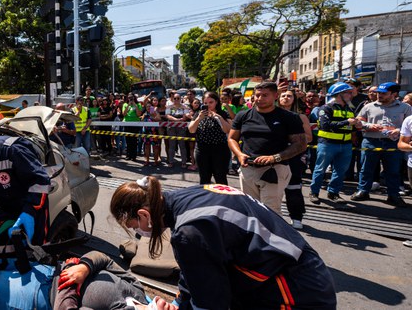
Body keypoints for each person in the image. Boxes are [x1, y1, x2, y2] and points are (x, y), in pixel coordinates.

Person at [109, 177, 337, 310]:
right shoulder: (190, 196)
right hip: (301, 271)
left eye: (132, 225)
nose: (136, 231)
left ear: (144, 215)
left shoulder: (189, 233)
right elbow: (195, 275)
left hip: (294, 292)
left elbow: (211, 302)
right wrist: (180, 303)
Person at [0, 251, 147, 310]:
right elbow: (104, 259)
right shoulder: (140, 294)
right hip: (45, 271)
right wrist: (85, 267)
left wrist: (71, 273)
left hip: (34, 298)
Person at [228, 82, 307, 214]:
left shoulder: (289, 117)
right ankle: (255, 234)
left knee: (270, 211)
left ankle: (271, 234)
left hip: (275, 169)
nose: (260, 98)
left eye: (265, 95)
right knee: (251, 208)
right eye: (257, 95)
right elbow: (232, 138)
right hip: (248, 169)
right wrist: (239, 154)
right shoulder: (243, 115)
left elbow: (300, 144)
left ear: (276, 96)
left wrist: (274, 158)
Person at [352, 82, 412, 206]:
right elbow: (358, 122)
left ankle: (393, 195)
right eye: (378, 92)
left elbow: (409, 125)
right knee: (366, 168)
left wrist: (398, 130)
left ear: (394, 94)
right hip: (370, 141)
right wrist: (369, 125)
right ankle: (363, 190)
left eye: (383, 93)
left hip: (393, 143)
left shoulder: (405, 108)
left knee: (393, 170)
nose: (379, 95)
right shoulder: (368, 107)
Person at [308, 82, 361, 206]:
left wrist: (356, 126)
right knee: (320, 170)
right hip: (327, 144)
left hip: (346, 144)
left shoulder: (350, 108)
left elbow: (350, 127)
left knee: (340, 171)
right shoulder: (326, 108)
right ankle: (314, 192)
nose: (350, 94)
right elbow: (326, 126)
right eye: (347, 92)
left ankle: (333, 193)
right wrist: (347, 122)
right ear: (339, 94)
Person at [279, 89, 313, 229]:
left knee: (293, 188)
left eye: (289, 96)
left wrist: (294, 139)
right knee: (272, 189)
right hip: (274, 156)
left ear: (294, 99)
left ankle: (296, 217)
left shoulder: (301, 117)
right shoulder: (272, 115)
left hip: (293, 156)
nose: (286, 98)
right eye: (283, 95)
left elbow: (309, 138)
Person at [188, 91, 231, 184]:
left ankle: (223, 198)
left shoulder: (223, 114)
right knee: (204, 179)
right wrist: (199, 118)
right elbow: (191, 130)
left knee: (220, 178)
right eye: (205, 103)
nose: (208, 105)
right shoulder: (198, 114)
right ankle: (206, 198)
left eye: (211, 102)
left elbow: (228, 130)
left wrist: (219, 118)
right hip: (202, 151)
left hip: (220, 151)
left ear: (216, 102)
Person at [164, 92, 191, 169]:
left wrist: (180, 120)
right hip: (171, 128)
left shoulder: (184, 107)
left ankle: (184, 162)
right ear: (172, 99)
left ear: (180, 99)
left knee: (182, 145)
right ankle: (171, 161)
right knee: (171, 145)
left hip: (181, 128)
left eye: (178, 98)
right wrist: (176, 120)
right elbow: (168, 116)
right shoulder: (169, 107)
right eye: (174, 98)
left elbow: (185, 117)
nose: (176, 100)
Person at [121, 93, 143, 161]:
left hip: (135, 124)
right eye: (129, 97)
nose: (130, 99)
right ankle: (128, 155)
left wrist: (135, 105)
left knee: (134, 140)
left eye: (132, 97)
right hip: (127, 123)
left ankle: (134, 155)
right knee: (128, 140)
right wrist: (128, 105)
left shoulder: (138, 104)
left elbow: (138, 114)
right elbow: (124, 114)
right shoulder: (125, 104)